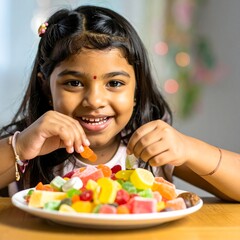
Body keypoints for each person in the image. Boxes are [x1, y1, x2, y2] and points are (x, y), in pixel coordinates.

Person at [0, 5, 239, 201]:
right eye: (73, 83)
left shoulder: (151, 150)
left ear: (137, 88)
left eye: (114, 83)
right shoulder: (27, 146)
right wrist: (19, 148)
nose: (95, 101)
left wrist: (189, 149)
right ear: (46, 87)